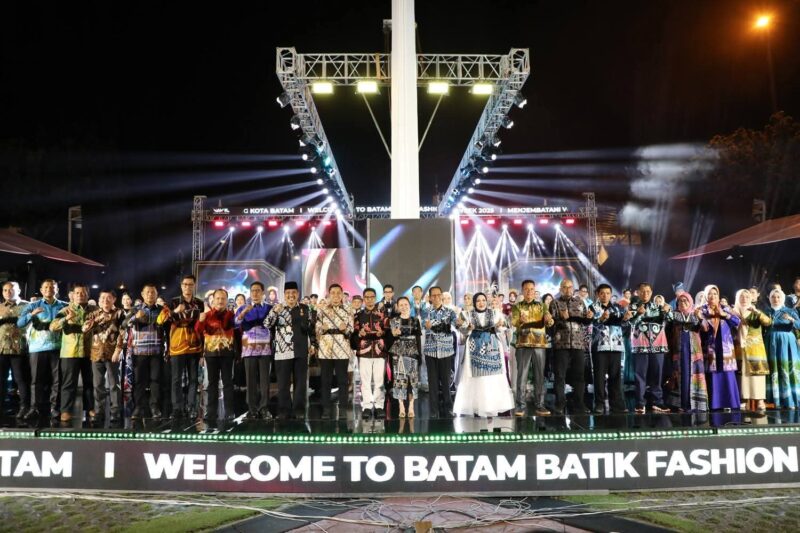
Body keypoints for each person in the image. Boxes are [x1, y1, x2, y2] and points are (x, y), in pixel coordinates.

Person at [453, 293, 514, 418]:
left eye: (483, 300)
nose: (481, 303)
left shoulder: (495, 313)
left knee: (492, 378)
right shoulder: (467, 314)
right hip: (474, 349)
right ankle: (477, 406)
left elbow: (504, 326)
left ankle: (493, 406)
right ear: (474, 303)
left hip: (493, 348)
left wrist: (500, 325)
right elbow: (462, 330)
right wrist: (465, 326)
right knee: (476, 379)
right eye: (478, 301)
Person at [157, 274, 204, 420]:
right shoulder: (173, 302)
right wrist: (176, 311)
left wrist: (203, 350)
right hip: (177, 346)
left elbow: (201, 323)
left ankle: (191, 408)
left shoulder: (199, 303)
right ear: (181, 286)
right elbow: (160, 320)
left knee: (194, 379)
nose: (187, 287)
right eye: (185, 284)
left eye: (190, 284)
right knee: (176, 379)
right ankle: (177, 408)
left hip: (195, 346)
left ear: (194, 285)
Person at [17, 279, 66, 420]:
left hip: (58, 348)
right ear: (41, 289)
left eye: (52, 287)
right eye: (46, 287)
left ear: (56, 289)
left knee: (58, 380)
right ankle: (34, 408)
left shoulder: (64, 306)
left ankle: (54, 408)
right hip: (37, 348)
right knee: (36, 380)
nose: (49, 289)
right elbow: (20, 323)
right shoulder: (33, 305)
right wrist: (31, 314)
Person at [265, 281, 315, 419]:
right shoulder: (278, 308)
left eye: (293, 293)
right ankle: (284, 410)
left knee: (300, 383)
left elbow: (312, 328)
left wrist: (313, 344)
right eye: (288, 293)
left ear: (298, 294)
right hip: (282, 351)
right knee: (283, 383)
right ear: (284, 295)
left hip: (301, 350)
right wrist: (275, 312)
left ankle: (299, 409)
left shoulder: (305, 308)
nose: (291, 295)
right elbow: (267, 324)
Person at [50, 284, 96, 423]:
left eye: (83, 293)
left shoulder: (95, 310)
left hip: (89, 352)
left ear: (87, 295)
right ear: (72, 295)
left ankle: (90, 408)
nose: (80, 295)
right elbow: (53, 326)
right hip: (70, 353)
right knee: (68, 384)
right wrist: (66, 319)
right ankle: (65, 410)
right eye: (77, 293)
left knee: (89, 383)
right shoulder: (65, 310)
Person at [549, 279, 593, 415]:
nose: (568, 290)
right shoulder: (555, 303)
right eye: (565, 287)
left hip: (578, 344)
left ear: (573, 289)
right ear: (560, 288)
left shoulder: (580, 302)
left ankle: (579, 403)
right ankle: (560, 403)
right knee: (560, 376)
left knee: (579, 375)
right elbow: (550, 325)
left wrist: (590, 318)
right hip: (561, 344)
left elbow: (585, 322)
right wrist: (561, 318)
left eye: (570, 287)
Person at [83, 289, 126, 424]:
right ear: (99, 300)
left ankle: (115, 411)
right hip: (96, 353)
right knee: (98, 385)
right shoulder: (93, 314)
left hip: (112, 353)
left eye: (108, 298)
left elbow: (123, 333)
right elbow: (84, 330)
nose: (105, 301)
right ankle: (99, 411)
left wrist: (118, 351)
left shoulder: (119, 313)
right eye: (102, 298)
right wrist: (91, 323)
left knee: (114, 385)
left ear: (114, 299)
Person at [510, 280, 552, 416]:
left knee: (540, 375)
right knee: (522, 375)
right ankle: (520, 405)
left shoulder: (542, 306)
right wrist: (520, 320)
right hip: (523, 343)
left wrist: (549, 320)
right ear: (522, 291)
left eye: (531, 289)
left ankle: (540, 405)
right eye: (526, 289)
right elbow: (514, 322)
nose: (529, 291)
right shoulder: (517, 307)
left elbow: (550, 322)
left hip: (540, 344)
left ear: (535, 291)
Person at [696, 284, 741, 411]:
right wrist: (702, 318)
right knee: (714, 374)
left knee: (728, 373)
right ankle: (716, 404)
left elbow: (737, 322)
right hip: (711, 346)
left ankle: (731, 402)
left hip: (726, 346)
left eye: (715, 294)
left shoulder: (725, 309)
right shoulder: (702, 310)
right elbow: (702, 328)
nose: (712, 296)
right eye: (710, 294)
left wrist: (724, 315)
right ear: (706, 296)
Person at [629, 282, 671, 414]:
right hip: (640, 345)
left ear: (651, 293)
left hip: (658, 345)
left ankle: (657, 401)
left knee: (657, 373)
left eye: (648, 291)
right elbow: (629, 323)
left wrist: (668, 311)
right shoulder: (633, 306)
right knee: (640, 374)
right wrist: (639, 314)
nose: (645, 294)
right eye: (642, 291)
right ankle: (640, 403)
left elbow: (669, 320)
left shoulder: (658, 306)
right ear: (638, 292)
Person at [195, 289, 236, 422]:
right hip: (211, 353)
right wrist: (200, 321)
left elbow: (232, 328)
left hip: (227, 353)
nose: (220, 301)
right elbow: (198, 331)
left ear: (226, 300)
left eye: (223, 298)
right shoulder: (206, 315)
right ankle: (210, 412)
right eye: (218, 298)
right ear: (213, 300)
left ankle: (230, 411)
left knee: (228, 383)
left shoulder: (231, 315)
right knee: (211, 384)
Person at [126, 284, 166, 419]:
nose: (150, 295)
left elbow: (169, 327)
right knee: (139, 382)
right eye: (147, 292)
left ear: (157, 294)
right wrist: (136, 317)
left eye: (153, 292)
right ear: (142, 294)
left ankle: (154, 407)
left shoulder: (162, 310)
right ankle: (138, 407)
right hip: (139, 352)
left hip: (156, 351)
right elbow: (124, 324)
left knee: (156, 380)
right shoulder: (135, 309)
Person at [235, 281, 273, 419]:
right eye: (253, 291)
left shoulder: (269, 308)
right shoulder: (243, 308)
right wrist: (244, 312)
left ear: (263, 293)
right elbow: (235, 323)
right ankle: (252, 409)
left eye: (258, 290)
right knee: (250, 380)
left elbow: (273, 323)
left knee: (264, 381)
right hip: (249, 349)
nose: (255, 293)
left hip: (265, 349)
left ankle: (264, 408)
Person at [315, 283, 353, 419]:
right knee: (326, 380)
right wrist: (321, 327)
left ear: (342, 295)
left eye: (338, 293)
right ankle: (326, 408)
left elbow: (352, 329)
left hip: (342, 347)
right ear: (329, 295)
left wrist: (346, 329)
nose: (336, 295)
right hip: (326, 348)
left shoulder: (348, 309)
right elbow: (316, 326)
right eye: (333, 293)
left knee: (343, 380)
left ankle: (343, 408)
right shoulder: (322, 309)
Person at [665, 292, 708, 413]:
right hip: (678, 350)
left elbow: (705, 328)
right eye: (680, 301)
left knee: (693, 376)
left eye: (686, 301)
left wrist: (700, 317)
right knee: (680, 375)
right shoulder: (673, 316)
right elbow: (667, 332)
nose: (683, 303)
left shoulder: (695, 314)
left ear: (690, 302)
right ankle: (680, 404)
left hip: (694, 352)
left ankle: (694, 404)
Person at [589, 284, 627, 414]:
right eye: (602, 293)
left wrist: (626, 319)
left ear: (611, 295)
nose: (605, 295)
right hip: (599, 346)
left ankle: (616, 403)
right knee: (599, 377)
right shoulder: (593, 307)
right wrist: (600, 319)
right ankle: (599, 403)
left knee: (616, 376)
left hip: (616, 345)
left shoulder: (618, 308)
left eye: (607, 293)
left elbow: (624, 324)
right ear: (598, 295)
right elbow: (590, 324)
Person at [732, 288, 771, 414]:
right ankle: (743, 399)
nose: (744, 299)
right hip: (739, 347)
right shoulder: (733, 312)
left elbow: (768, 322)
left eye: (747, 297)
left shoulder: (755, 311)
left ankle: (760, 400)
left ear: (751, 299)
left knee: (757, 375)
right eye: (742, 297)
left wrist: (757, 312)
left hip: (755, 348)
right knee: (741, 374)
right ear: (738, 298)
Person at [353, 288, 388, 419]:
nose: (369, 299)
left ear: (375, 297)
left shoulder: (383, 315)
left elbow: (387, 331)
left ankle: (379, 406)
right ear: (363, 299)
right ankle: (367, 406)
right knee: (365, 381)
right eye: (366, 297)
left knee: (379, 380)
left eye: (372, 297)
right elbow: (355, 333)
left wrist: (382, 333)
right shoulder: (358, 316)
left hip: (379, 351)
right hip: (364, 351)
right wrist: (359, 334)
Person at [424, 286, 458, 418]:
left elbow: (456, 324)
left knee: (446, 381)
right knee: (432, 382)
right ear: (430, 297)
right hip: (431, 350)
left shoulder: (450, 312)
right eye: (434, 295)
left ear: (442, 297)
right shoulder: (425, 311)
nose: (437, 297)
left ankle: (448, 408)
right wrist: (444, 325)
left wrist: (458, 323)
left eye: (439, 295)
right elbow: (424, 324)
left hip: (446, 350)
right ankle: (433, 410)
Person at [765, 289, 800, 409]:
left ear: (783, 298)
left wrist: (792, 320)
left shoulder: (790, 311)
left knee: (788, 368)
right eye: (773, 297)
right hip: (771, 342)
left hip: (788, 342)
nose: (776, 299)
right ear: (769, 298)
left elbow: (799, 325)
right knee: (774, 369)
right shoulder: (766, 311)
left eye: (778, 297)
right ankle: (776, 401)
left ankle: (792, 400)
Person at [0, 281, 30, 420]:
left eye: (11, 290)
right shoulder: (0, 307)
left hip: (19, 349)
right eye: (5, 290)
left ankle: (24, 407)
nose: (8, 292)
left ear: (18, 291)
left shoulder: (27, 305)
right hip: (1, 349)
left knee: (21, 380)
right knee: (1, 380)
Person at [389, 297, 422, 418]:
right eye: (401, 304)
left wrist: (420, 355)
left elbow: (418, 338)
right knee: (399, 380)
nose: (404, 306)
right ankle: (401, 406)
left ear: (410, 305)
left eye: (406, 304)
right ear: (397, 307)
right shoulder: (394, 321)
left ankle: (411, 406)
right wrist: (394, 334)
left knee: (412, 381)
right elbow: (391, 337)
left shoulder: (415, 320)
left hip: (413, 351)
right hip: (398, 353)